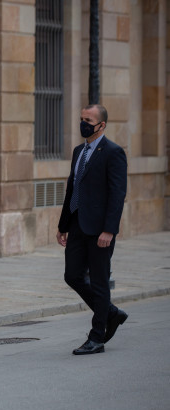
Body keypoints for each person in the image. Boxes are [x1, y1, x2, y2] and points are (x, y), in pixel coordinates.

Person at [56, 104, 128, 355]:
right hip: (77, 224)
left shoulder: (113, 152)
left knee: (99, 282)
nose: (83, 123)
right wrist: (63, 225)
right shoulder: (78, 151)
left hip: (100, 230)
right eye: (81, 119)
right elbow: (72, 190)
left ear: (102, 125)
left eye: (88, 120)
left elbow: (117, 195)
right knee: (72, 275)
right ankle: (110, 312)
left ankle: (97, 337)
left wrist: (109, 230)